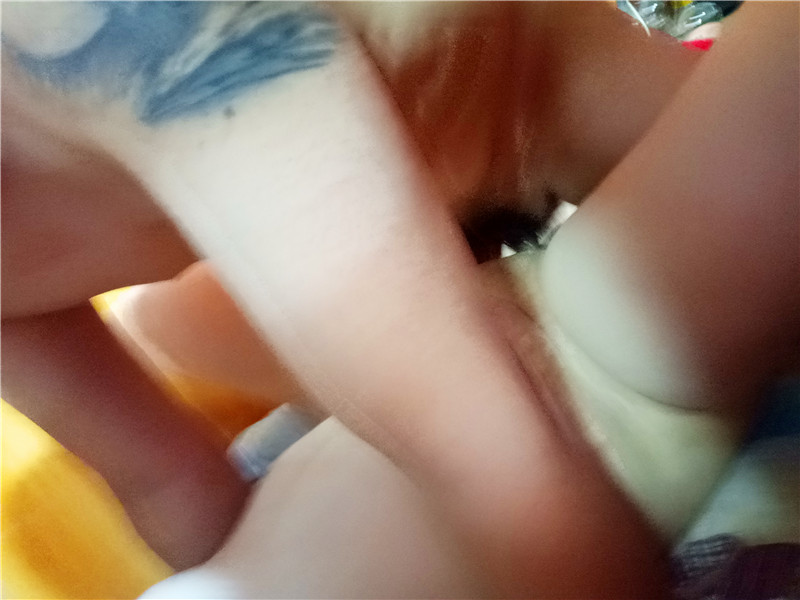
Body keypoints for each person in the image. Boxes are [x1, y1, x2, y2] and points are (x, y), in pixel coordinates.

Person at [2, 2, 796, 596]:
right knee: (173, 323)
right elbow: (170, 486)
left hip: (527, 90)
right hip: (402, 209)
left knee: (729, 234)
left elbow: (514, 484)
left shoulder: (121, 36)